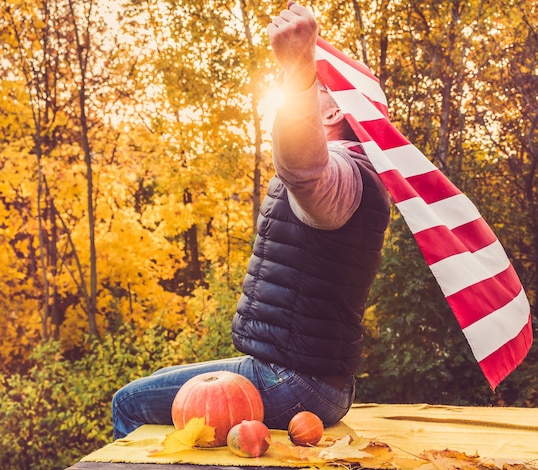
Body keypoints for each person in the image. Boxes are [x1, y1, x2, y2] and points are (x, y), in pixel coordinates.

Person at [111, 1, 390, 440]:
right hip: (315, 382)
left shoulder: (344, 178)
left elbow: (305, 170)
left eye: (314, 89)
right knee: (165, 377)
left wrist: (298, 70)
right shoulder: (362, 176)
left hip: (295, 384)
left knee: (129, 402)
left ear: (335, 113)